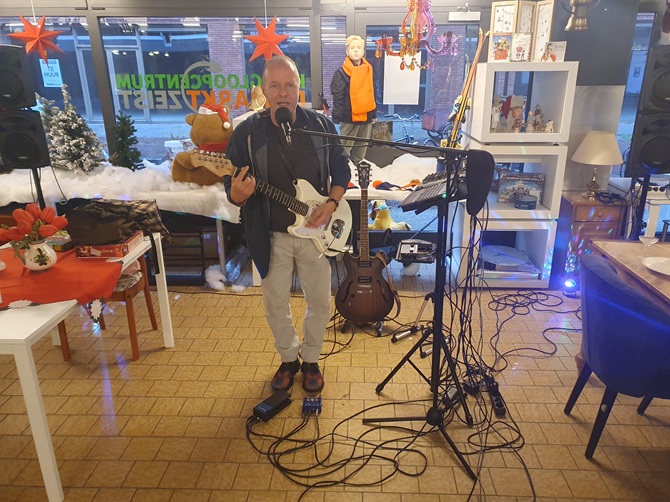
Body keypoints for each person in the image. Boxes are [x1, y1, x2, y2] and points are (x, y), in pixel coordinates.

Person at [224, 56, 351, 393]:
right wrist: (237, 193)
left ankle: (310, 359)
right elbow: (233, 189)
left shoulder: (320, 125)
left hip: (315, 234)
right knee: (275, 304)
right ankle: (288, 359)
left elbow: (342, 168)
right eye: (275, 86)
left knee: (321, 302)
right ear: (264, 89)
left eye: (289, 85)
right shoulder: (247, 133)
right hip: (271, 235)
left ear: (300, 88)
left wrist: (332, 202)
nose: (282, 93)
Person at [330, 35, 377, 164]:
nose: (356, 50)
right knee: (344, 151)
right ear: (347, 51)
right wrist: (337, 117)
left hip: (366, 115)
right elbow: (338, 97)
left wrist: (373, 114)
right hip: (349, 117)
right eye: (352, 48)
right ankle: (343, 178)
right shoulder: (341, 73)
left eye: (359, 47)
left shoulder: (369, 69)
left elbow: (372, 92)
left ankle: (357, 175)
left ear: (363, 51)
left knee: (360, 151)